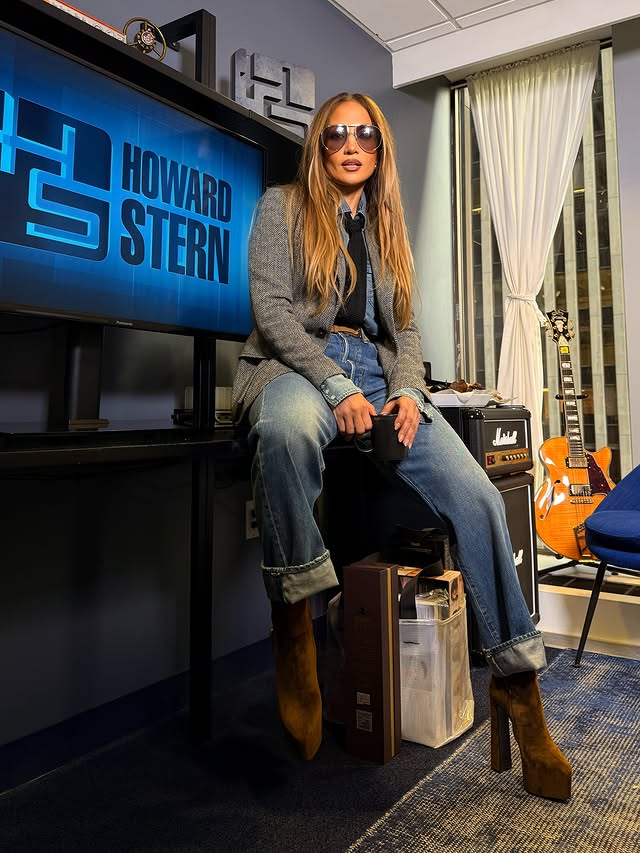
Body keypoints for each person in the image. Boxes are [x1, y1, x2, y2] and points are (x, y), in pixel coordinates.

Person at [231, 92, 571, 800]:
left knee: (479, 496)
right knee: (286, 430)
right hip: (299, 366)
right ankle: (294, 621)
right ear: (319, 146)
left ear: (380, 149)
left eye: (365, 135)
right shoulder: (281, 206)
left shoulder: (387, 225)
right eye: (335, 135)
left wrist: (408, 394)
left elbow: (407, 334)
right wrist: (333, 385)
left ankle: (518, 683)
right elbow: (271, 313)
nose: (351, 144)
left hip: (380, 379)